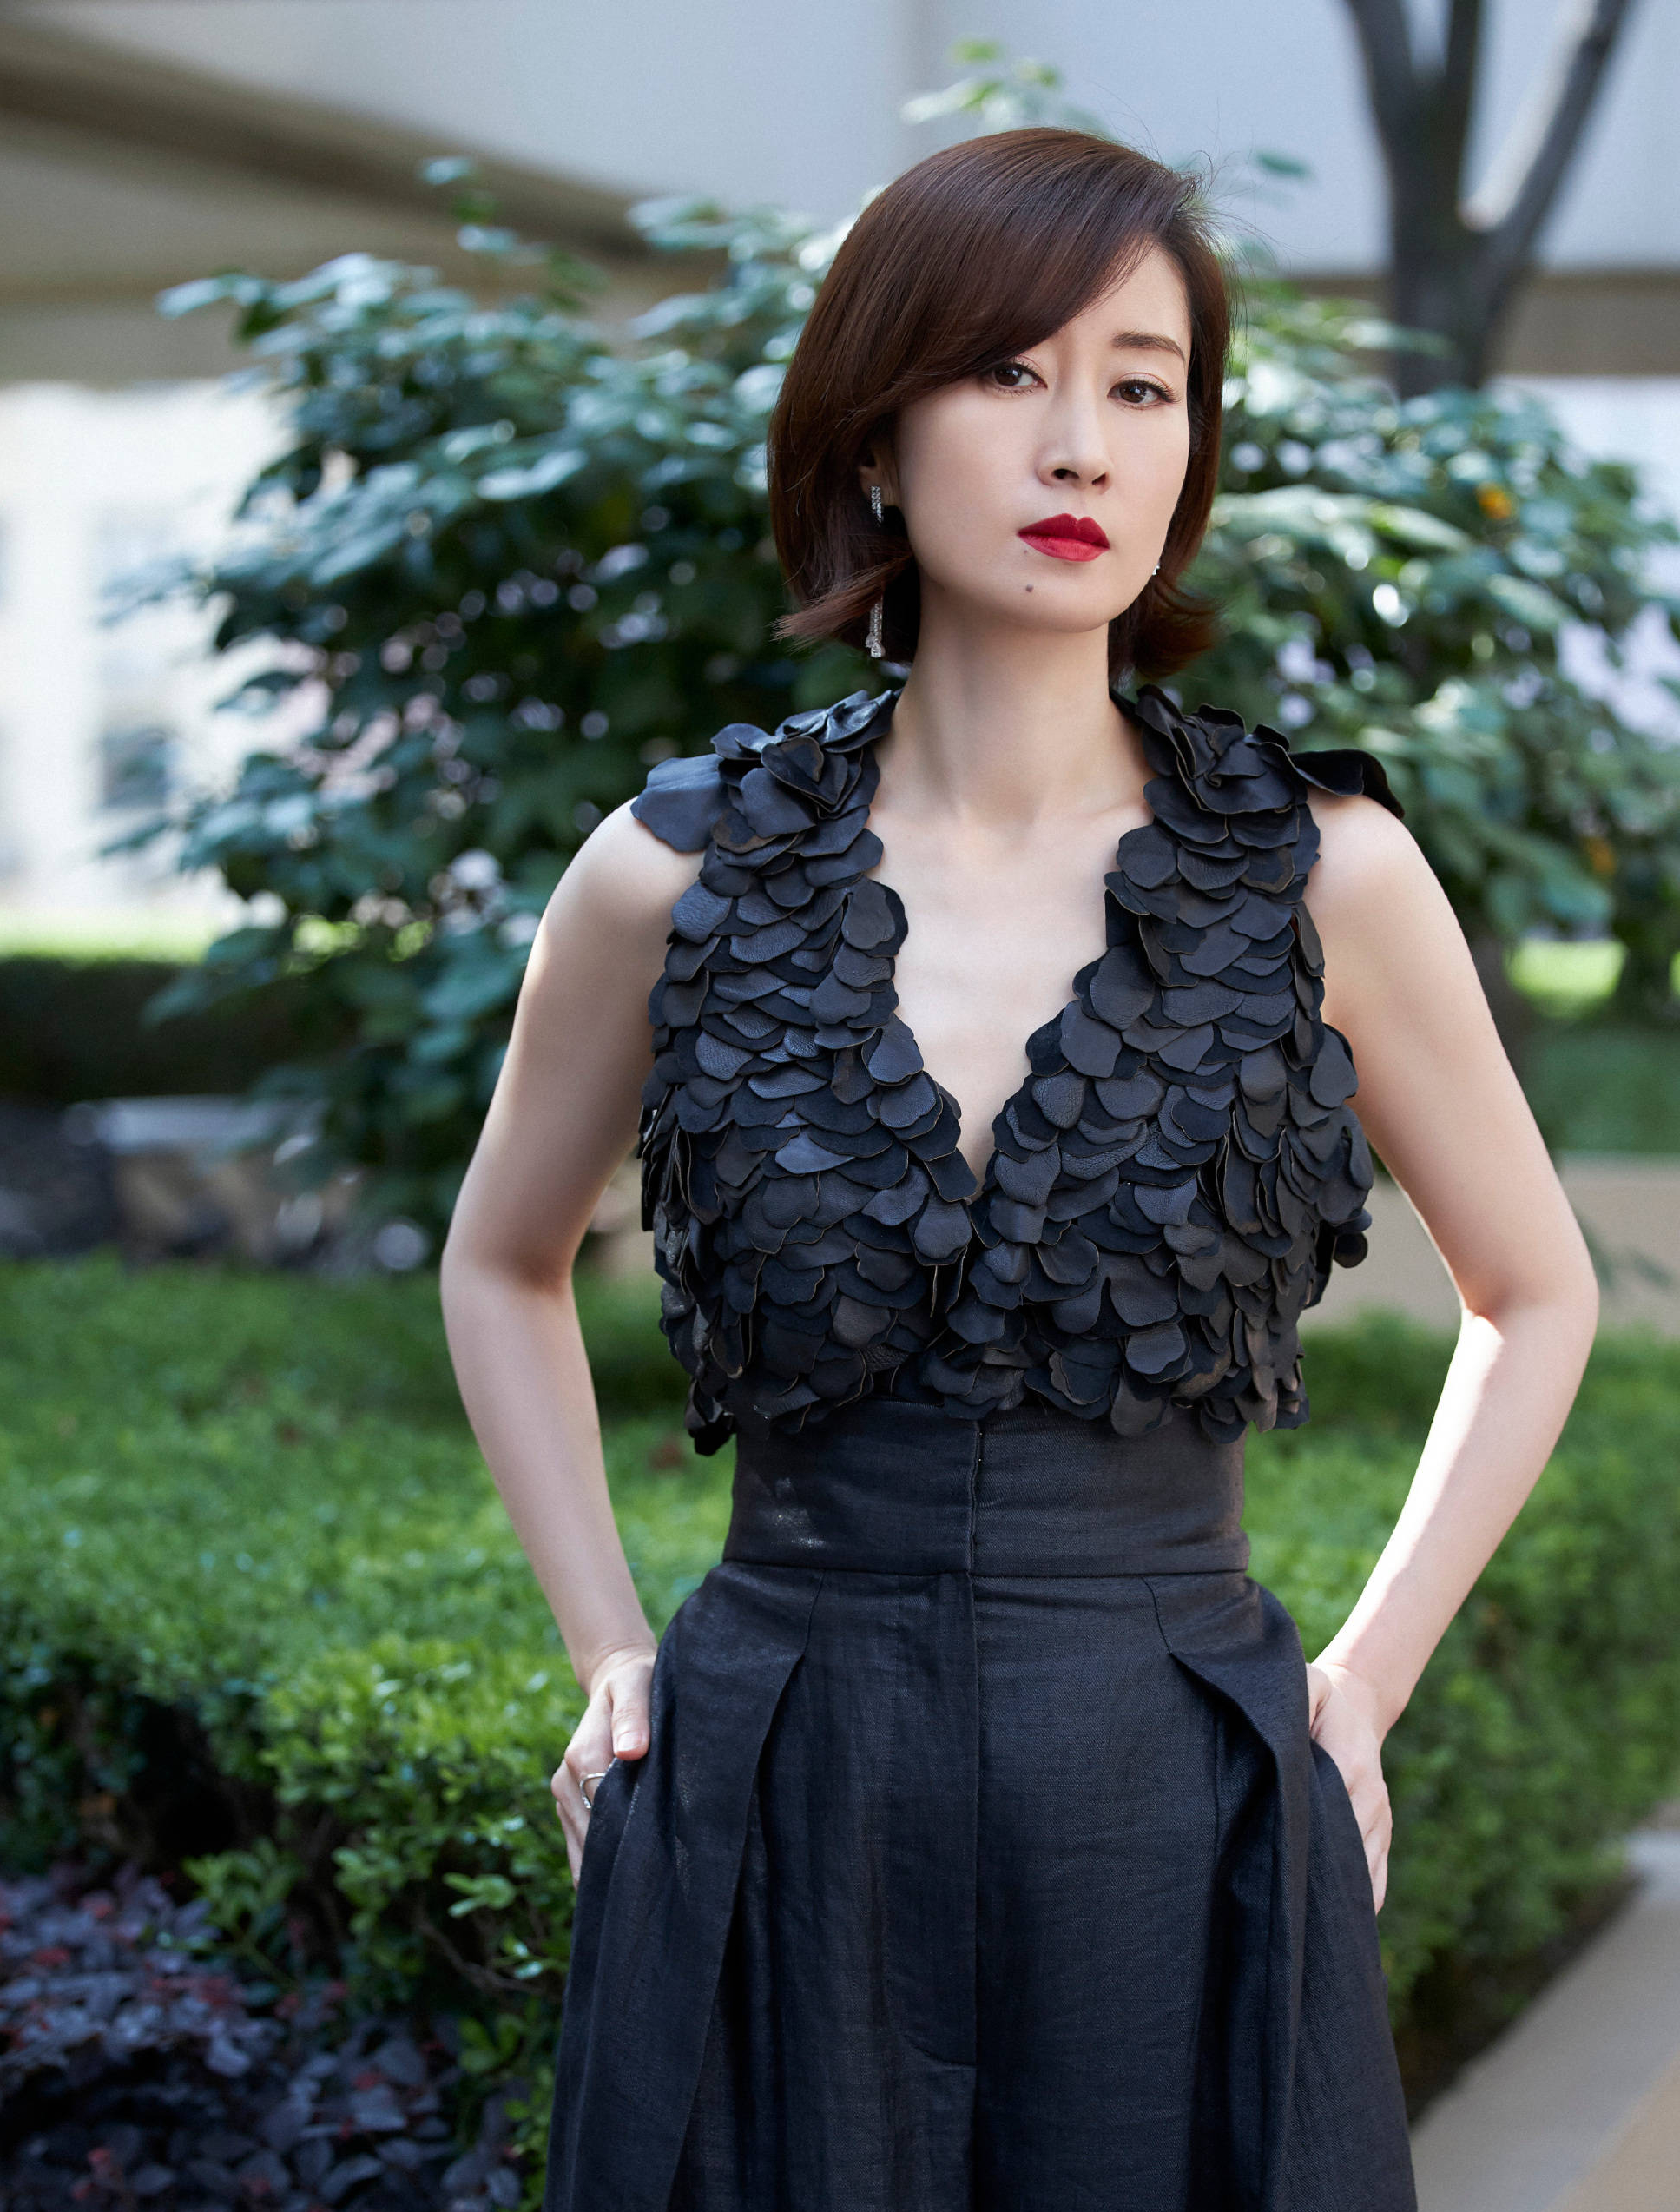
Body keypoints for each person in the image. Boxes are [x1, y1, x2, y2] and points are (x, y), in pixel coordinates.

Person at [439, 127, 1599, 2212]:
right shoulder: (668, 874)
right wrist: (609, 1650)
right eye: (1005, 371)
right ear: (872, 433)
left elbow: (1537, 1290)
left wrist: (1360, 1683)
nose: (1080, 442)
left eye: (1142, 384)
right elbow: (499, 1260)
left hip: (1175, 1785)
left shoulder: (1323, 872)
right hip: (775, 1783)